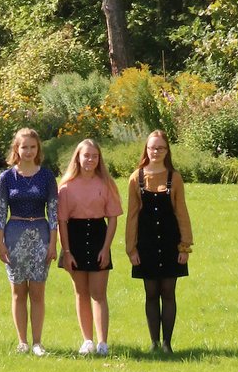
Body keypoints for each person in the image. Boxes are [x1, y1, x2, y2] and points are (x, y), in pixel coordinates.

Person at [125, 129, 192, 354]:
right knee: (151, 293)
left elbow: (181, 212)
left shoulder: (175, 177)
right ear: (146, 149)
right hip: (146, 244)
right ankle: (154, 343)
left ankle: (167, 344)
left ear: (167, 150)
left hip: (170, 243)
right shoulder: (136, 178)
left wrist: (184, 246)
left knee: (168, 292)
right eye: (152, 148)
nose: (156, 152)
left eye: (161, 148)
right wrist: (131, 249)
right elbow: (132, 216)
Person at [57, 137, 122, 356]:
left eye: (95, 156)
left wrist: (106, 248)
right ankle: (87, 341)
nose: (90, 160)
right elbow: (62, 222)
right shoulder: (66, 187)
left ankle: (102, 342)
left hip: (98, 237)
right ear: (78, 157)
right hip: (74, 238)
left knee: (98, 293)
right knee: (81, 292)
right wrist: (66, 252)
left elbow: (113, 218)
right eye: (86, 155)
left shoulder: (106, 184)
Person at [0, 127, 58, 356]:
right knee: (18, 292)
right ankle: (22, 342)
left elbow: (54, 213)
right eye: (24, 147)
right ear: (16, 148)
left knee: (38, 293)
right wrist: (0, 243)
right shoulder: (6, 178)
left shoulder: (47, 176)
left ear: (38, 148)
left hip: (41, 235)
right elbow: (0, 213)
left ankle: (37, 342)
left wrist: (53, 243)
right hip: (14, 235)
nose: (29, 151)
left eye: (33, 147)